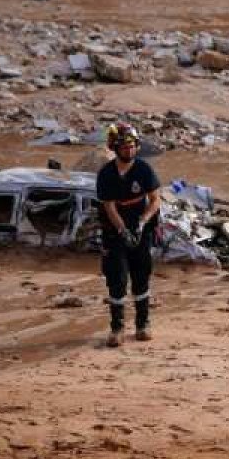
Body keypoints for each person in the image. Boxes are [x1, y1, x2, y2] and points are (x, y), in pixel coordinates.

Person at [96, 122, 162, 347]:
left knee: (141, 277)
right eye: (124, 147)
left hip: (140, 230)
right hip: (114, 233)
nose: (129, 151)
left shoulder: (144, 169)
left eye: (133, 146)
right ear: (114, 148)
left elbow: (155, 199)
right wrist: (123, 230)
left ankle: (143, 324)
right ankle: (117, 328)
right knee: (117, 280)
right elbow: (109, 207)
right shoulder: (106, 174)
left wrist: (142, 223)